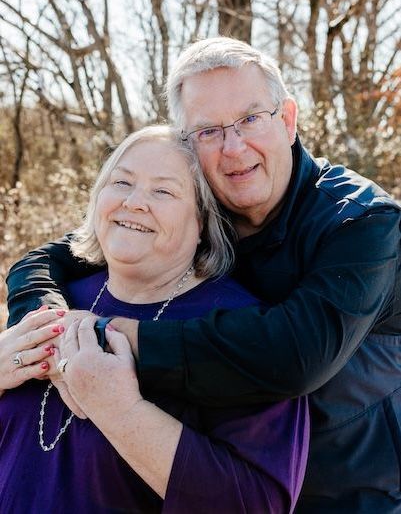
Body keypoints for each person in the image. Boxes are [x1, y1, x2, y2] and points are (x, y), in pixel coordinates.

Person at [6, 37, 401, 513]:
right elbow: (57, 255)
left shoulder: (360, 222)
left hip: (353, 490)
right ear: (188, 146)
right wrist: (43, 330)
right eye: (208, 130)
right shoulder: (201, 205)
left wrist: (105, 337)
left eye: (252, 118)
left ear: (289, 120)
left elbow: (296, 355)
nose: (234, 147)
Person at [0, 125, 309, 513]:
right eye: (122, 182)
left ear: (202, 221)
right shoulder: (55, 302)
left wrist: (121, 412)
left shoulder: (240, 329)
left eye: (163, 190)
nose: (134, 202)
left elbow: (258, 504)